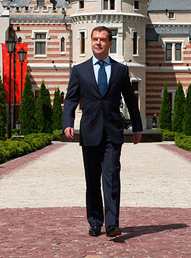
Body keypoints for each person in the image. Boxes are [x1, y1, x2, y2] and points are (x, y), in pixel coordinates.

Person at [62, 26, 143, 237]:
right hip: (89, 131)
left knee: (112, 177)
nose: (98, 43)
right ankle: (95, 222)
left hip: (113, 133)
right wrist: (67, 121)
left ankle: (113, 224)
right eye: (95, 39)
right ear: (91, 41)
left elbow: (130, 99)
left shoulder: (120, 70)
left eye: (102, 39)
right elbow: (71, 98)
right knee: (92, 180)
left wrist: (137, 127)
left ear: (110, 43)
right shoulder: (79, 70)